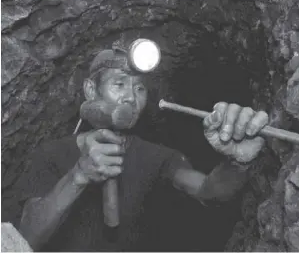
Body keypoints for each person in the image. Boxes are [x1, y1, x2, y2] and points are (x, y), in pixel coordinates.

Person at [9, 44, 268, 252]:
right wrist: (79, 175)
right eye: (119, 84)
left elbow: (209, 191)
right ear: (90, 90)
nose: (131, 98)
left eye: (140, 88)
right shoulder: (50, 154)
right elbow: (28, 236)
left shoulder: (156, 156)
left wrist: (237, 163)